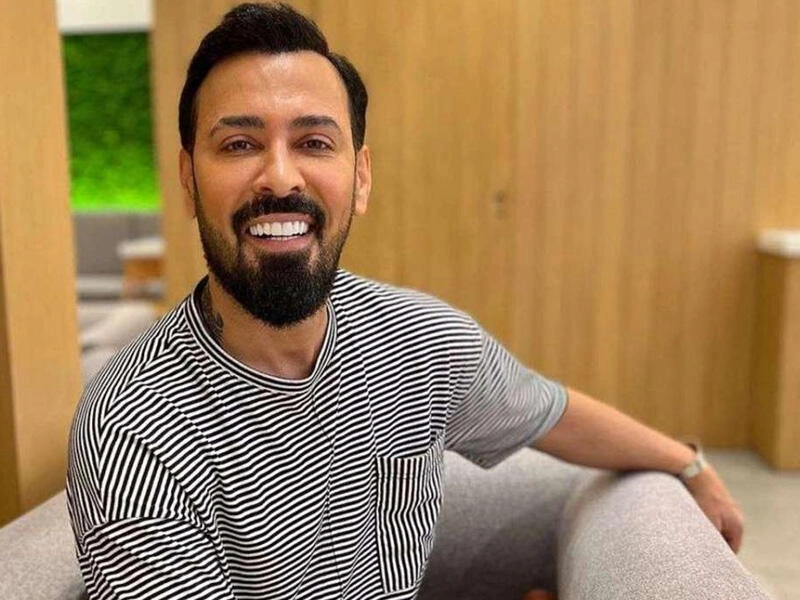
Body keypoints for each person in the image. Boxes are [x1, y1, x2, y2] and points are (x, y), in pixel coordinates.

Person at [67, 3, 743, 599]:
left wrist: (687, 464)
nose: (279, 176)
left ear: (359, 178)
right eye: (239, 144)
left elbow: (550, 413)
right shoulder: (133, 435)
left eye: (314, 142)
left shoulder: (419, 339)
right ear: (189, 179)